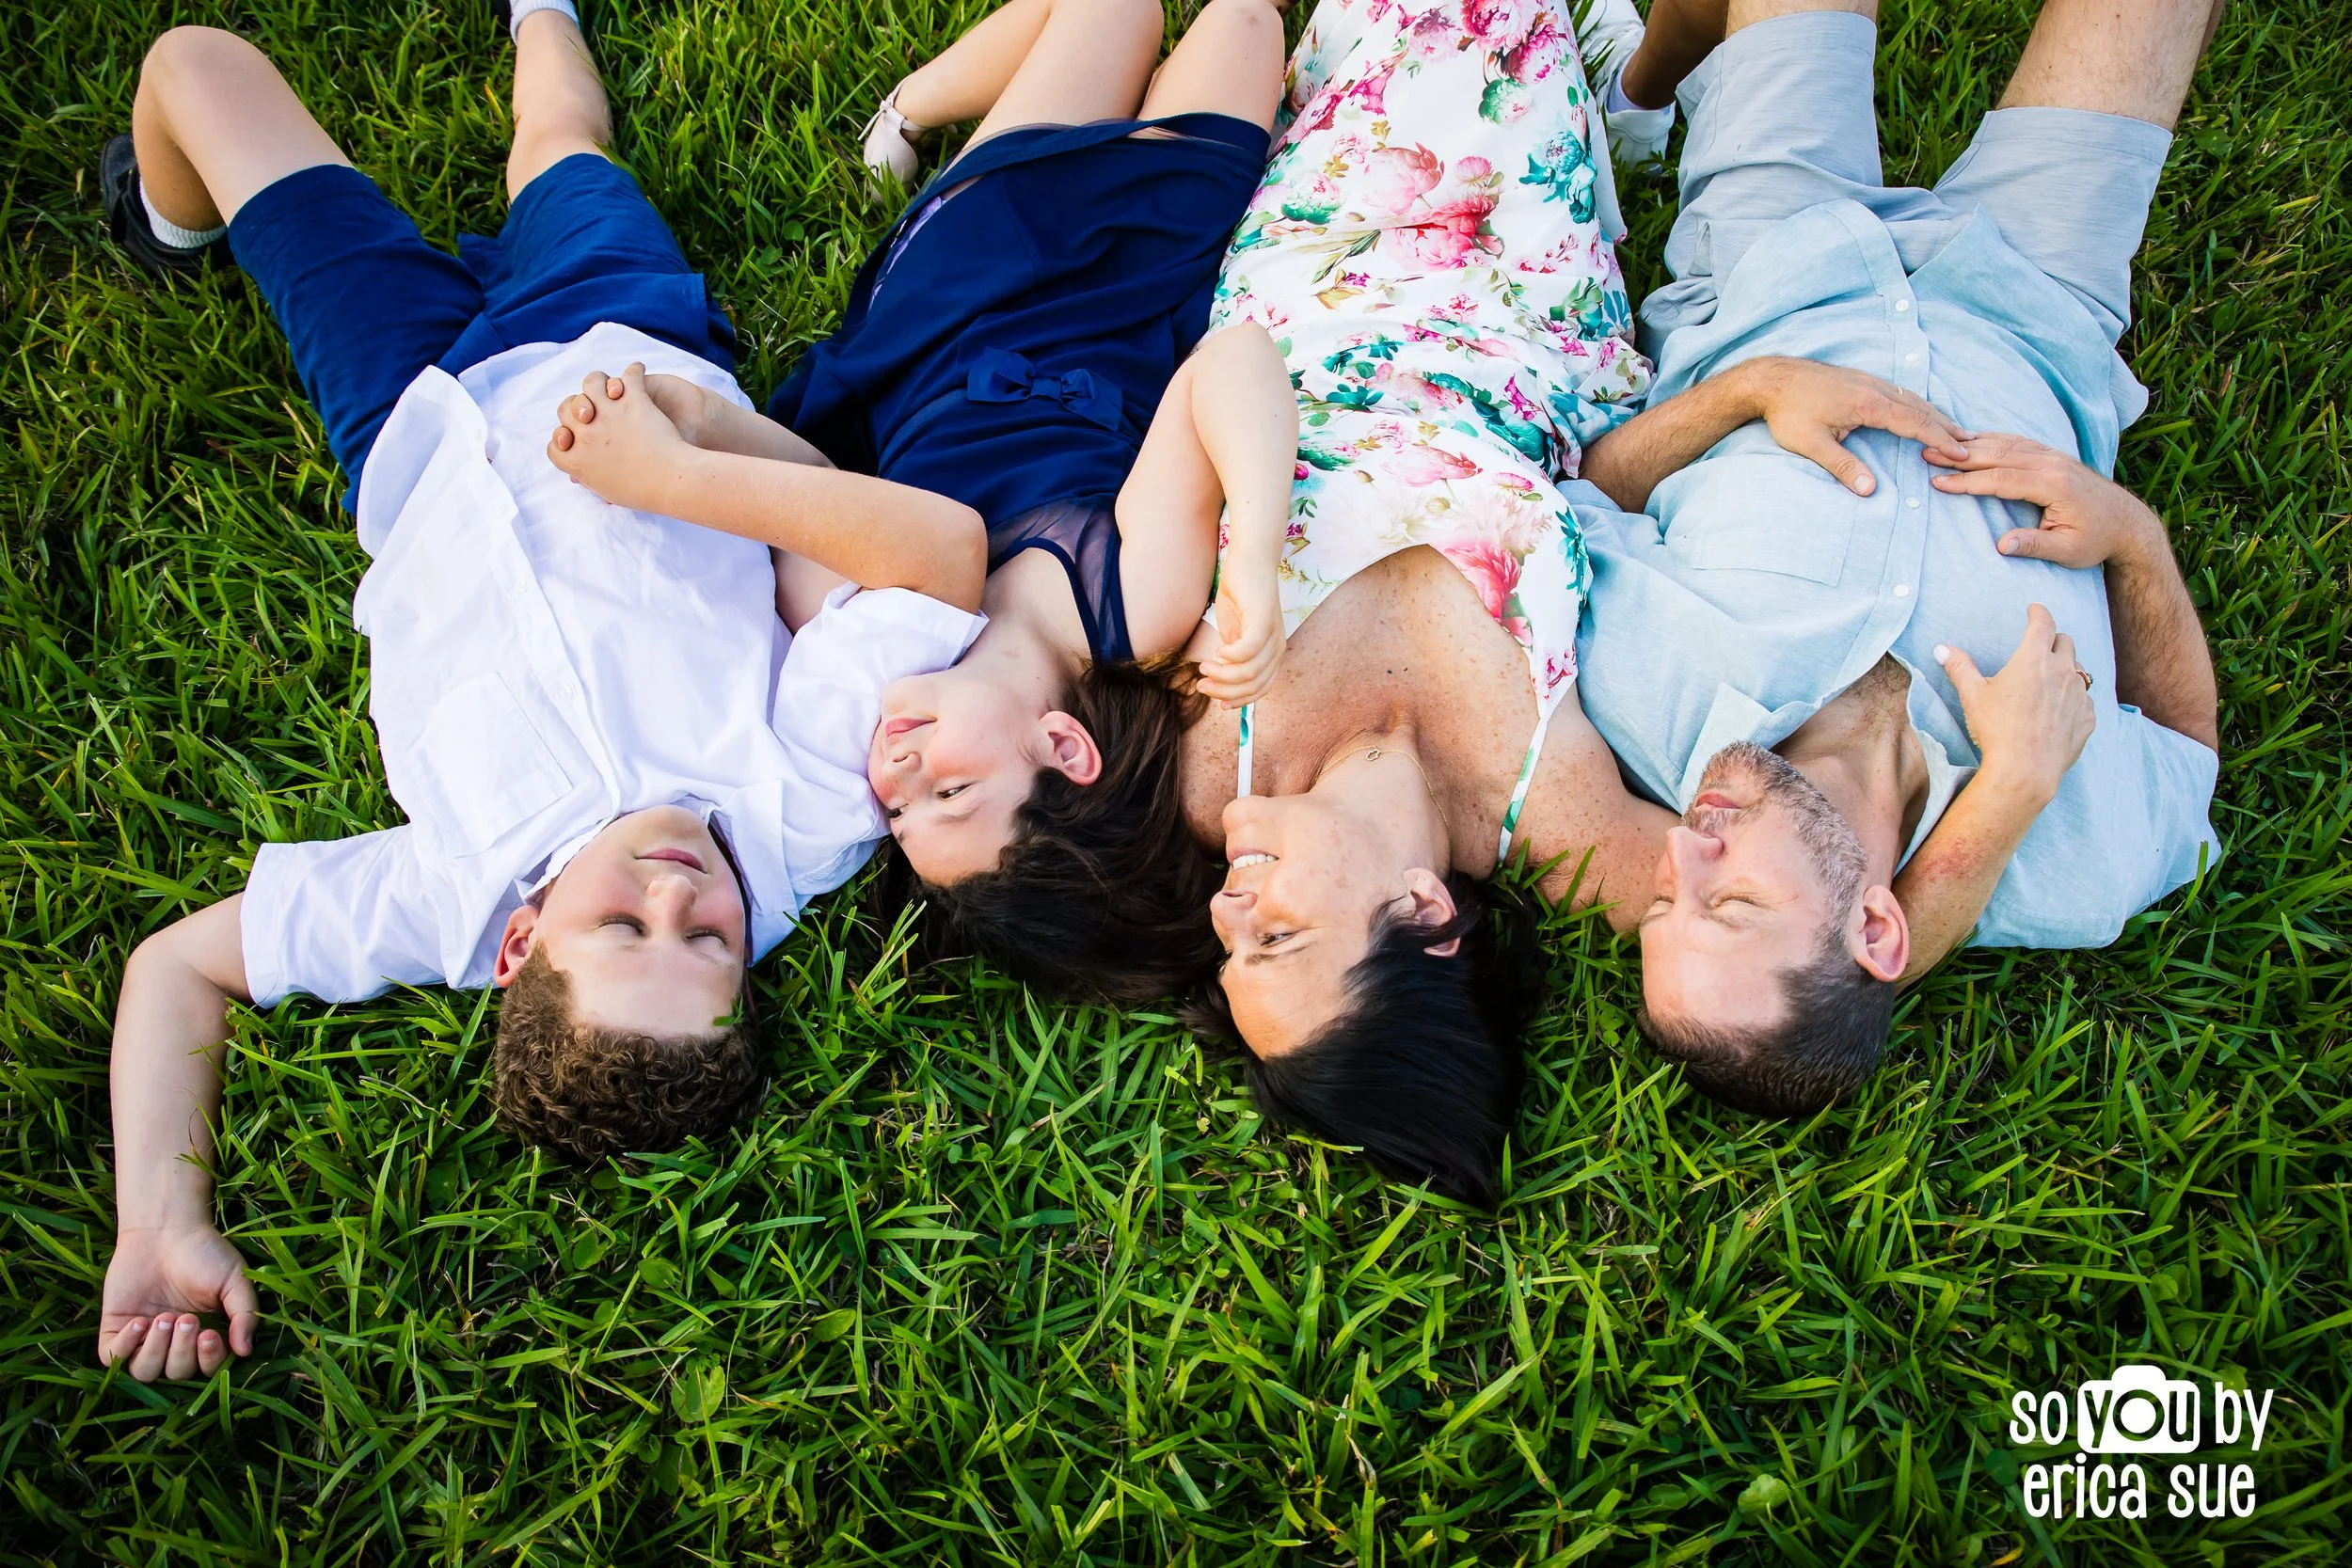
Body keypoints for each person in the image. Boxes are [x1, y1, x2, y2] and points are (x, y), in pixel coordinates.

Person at [93, 2, 986, 1383]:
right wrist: (679, 473)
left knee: (195, 67)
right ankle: (543, 11)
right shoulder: (800, 810)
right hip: (621, 347)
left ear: (518, 946)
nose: (680, 888)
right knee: (558, 137)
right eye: (706, 944)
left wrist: (161, 1212)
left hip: (408, 418)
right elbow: (939, 561)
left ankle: (164, 229)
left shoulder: (445, 896)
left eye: (624, 921)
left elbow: (177, 969)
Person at [1575, 0, 2224, 1117]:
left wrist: (1749, 389)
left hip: (1773, 273)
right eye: (1724, 903)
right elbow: (2186, 754)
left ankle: (1643, 82)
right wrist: (2134, 539)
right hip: (2038, 311)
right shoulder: (2073, 859)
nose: (1683, 850)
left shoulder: (1641, 693)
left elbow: (1587, 492)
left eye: (1669, 897)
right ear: (1877, 924)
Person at [775, 0, 1306, 1002]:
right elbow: (1230, 365)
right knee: (1242, 22)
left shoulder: (875, 642)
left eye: (899, 813)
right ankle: (930, 106)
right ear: (1063, 745)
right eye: (949, 789)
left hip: (953, 289)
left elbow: (782, 492)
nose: (894, 773)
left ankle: (904, 108)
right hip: (1125, 284)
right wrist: (1250, 559)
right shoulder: (1128, 609)